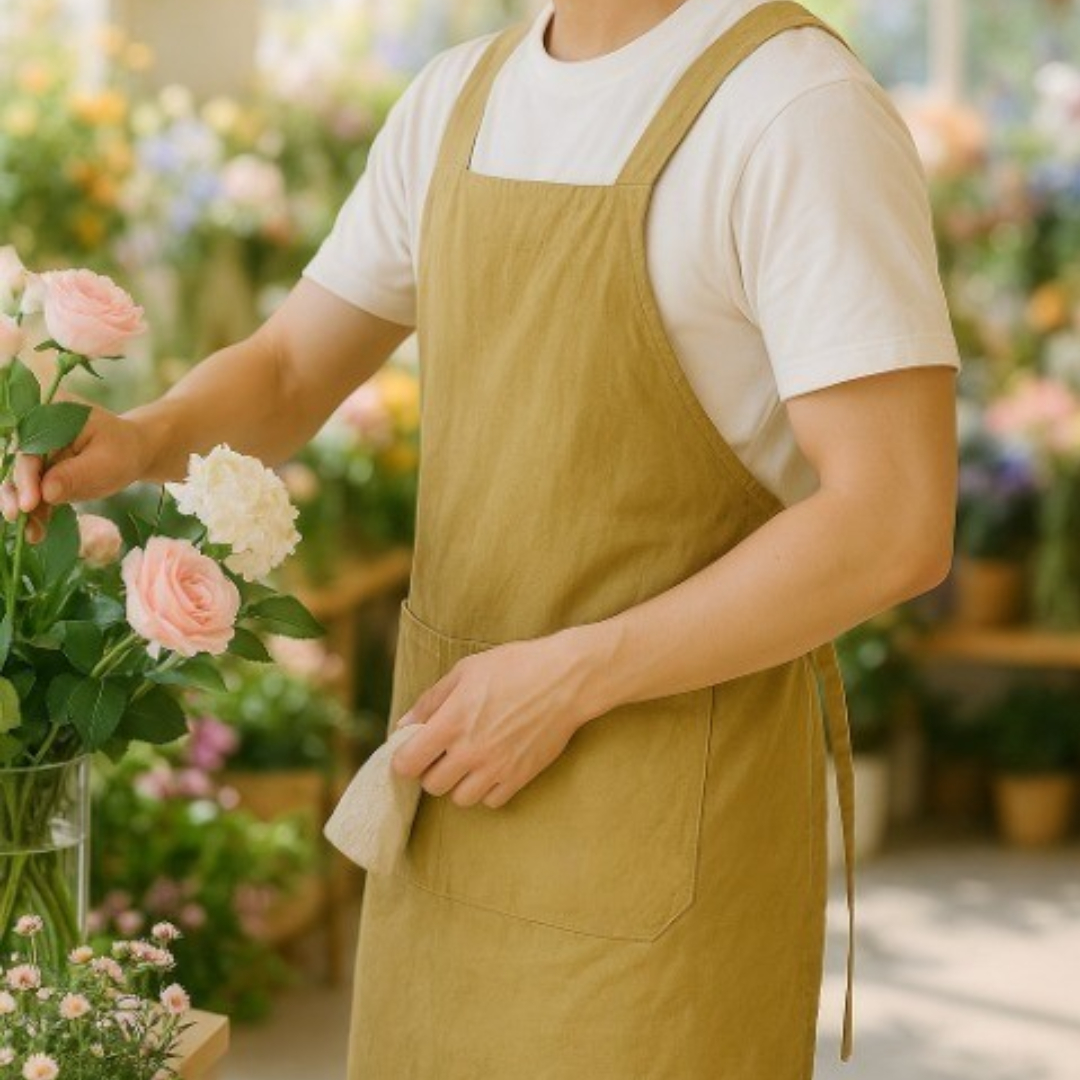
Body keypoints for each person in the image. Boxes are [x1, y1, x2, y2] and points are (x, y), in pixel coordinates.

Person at [5, 0, 960, 1075]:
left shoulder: (794, 109)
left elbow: (893, 520)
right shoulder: (458, 99)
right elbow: (288, 369)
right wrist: (141, 439)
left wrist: (570, 678)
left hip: (665, 840)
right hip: (456, 786)